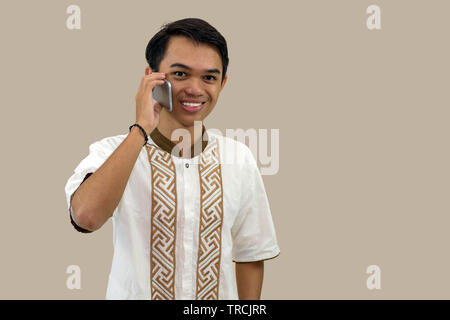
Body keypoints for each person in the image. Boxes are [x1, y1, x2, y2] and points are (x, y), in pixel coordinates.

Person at [64, 17, 280, 300]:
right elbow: (86, 217)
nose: (195, 89)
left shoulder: (238, 158)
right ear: (152, 77)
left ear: (223, 83)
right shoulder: (113, 151)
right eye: (180, 74)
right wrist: (141, 128)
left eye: (209, 77)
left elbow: (250, 254)